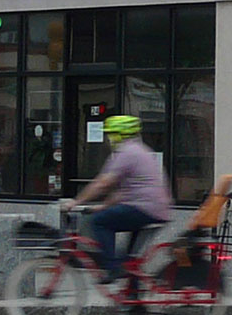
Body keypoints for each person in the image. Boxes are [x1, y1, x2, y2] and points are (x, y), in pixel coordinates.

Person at [63, 115, 172, 288]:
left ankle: (111, 268)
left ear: (119, 135)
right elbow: (122, 192)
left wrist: (75, 201)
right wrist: (104, 206)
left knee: (98, 222)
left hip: (144, 209)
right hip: (156, 209)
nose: (108, 139)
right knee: (131, 260)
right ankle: (134, 303)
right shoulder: (141, 150)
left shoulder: (126, 152)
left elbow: (103, 183)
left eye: (110, 134)